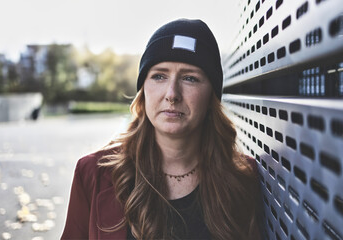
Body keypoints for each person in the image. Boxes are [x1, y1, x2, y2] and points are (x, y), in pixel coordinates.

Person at [61, 18, 261, 240]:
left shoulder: (243, 177)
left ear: (211, 95)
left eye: (190, 78)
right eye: (159, 76)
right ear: (143, 90)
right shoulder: (93, 173)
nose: (172, 94)